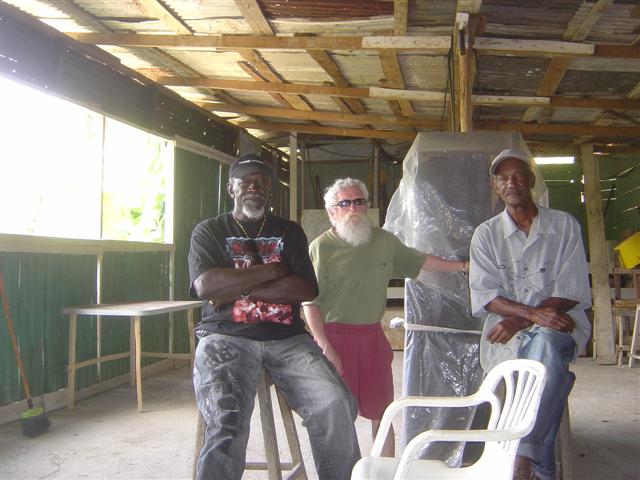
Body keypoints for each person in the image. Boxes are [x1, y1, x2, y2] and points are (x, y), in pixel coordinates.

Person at [188, 154, 360, 480]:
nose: (254, 186)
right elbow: (206, 286)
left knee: (335, 403)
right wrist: (273, 271)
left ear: (269, 190)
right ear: (231, 188)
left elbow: (305, 289)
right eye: (246, 180)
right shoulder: (209, 231)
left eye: (262, 181)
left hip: (288, 339)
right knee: (226, 420)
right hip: (225, 337)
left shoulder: (289, 232)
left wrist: (235, 288)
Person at [302, 177, 469, 457]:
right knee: (338, 416)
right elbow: (310, 302)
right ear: (331, 212)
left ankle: (384, 470)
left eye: (359, 202)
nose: (353, 208)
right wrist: (324, 346)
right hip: (335, 338)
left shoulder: (383, 241)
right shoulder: (321, 248)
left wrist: (463, 266)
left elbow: (419, 260)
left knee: (383, 412)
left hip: (372, 339)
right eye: (345, 203)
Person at [468, 148, 592, 480]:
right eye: (503, 178)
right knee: (547, 369)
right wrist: (532, 316)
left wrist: (523, 318)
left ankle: (523, 454)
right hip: (504, 336)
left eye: (518, 176)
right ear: (495, 186)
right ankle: (539, 465)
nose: (511, 183)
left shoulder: (563, 225)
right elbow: (486, 296)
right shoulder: (486, 235)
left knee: (547, 342)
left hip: (558, 325)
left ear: (531, 180)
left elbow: (572, 289)